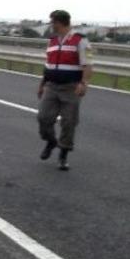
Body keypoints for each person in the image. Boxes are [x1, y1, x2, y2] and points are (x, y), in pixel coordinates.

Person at [37, 9, 93, 171]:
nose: (51, 25)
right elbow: (48, 65)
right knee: (43, 118)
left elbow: (87, 65)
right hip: (51, 86)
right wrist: (42, 84)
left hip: (71, 88)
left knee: (69, 122)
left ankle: (63, 154)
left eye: (52, 22)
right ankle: (51, 141)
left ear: (60, 23)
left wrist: (84, 83)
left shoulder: (80, 41)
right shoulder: (52, 41)